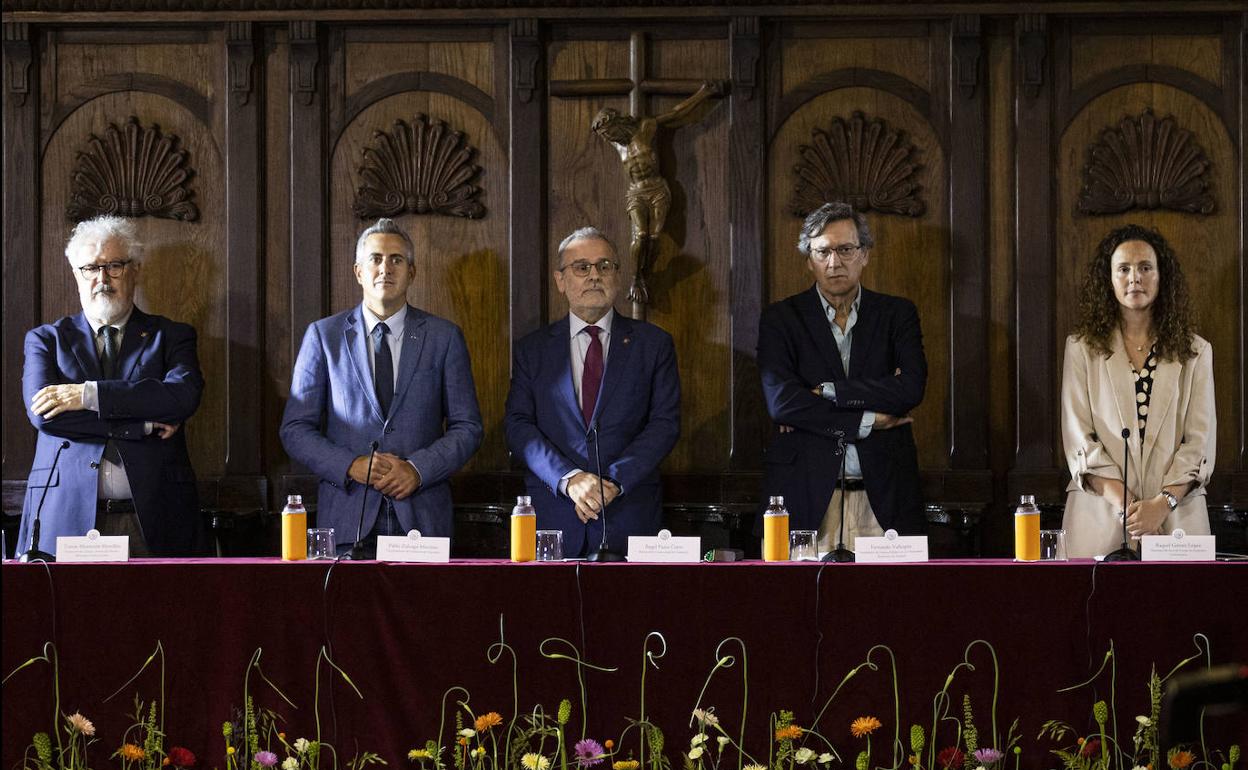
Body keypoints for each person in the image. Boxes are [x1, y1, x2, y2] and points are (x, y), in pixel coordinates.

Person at [280, 218, 482, 557]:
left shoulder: (444, 337)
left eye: (396, 260)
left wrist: (418, 470)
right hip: (347, 519)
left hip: (422, 517)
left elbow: (469, 427)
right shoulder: (323, 336)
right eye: (376, 259)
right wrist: (352, 465)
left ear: (412, 272)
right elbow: (295, 429)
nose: (385, 268)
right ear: (359, 272)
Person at [18, 215, 205, 558]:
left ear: (135, 270)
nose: (101, 279)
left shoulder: (171, 336)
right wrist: (143, 423)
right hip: (64, 516)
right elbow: (45, 416)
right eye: (90, 268)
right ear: (77, 275)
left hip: (155, 517)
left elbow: (182, 397)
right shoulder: (45, 340)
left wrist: (87, 395)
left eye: (114, 266)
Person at [757, 202, 927, 551]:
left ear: (864, 254)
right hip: (806, 496)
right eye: (822, 252)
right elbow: (783, 402)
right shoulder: (781, 319)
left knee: (889, 603)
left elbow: (910, 388)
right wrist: (866, 420)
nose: (834, 263)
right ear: (809, 260)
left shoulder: (897, 314)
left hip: (884, 498)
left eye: (845, 249)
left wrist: (830, 392)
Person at [504, 227, 681, 557]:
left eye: (605, 266)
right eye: (581, 267)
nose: (594, 276)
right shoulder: (533, 350)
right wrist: (569, 480)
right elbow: (518, 425)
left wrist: (612, 482)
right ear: (560, 280)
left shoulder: (653, 345)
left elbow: (664, 424)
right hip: (554, 517)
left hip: (628, 514)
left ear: (617, 276)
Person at [1060, 224, 1214, 558]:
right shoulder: (1081, 349)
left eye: (1145, 267)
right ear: (1109, 279)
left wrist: (1161, 506)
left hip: (1176, 518)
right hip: (1099, 516)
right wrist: (1133, 510)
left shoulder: (1196, 352)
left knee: (1180, 611)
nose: (1135, 278)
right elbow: (1079, 440)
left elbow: (1199, 442)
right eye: (1124, 269)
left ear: (1162, 277)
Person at [591, 80, 721, 306]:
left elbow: (676, 113)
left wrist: (704, 93)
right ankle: (636, 277)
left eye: (609, 133)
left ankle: (646, 273)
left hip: (658, 190)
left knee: (655, 237)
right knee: (640, 236)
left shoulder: (646, 128)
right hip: (636, 193)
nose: (608, 139)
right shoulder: (616, 144)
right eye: (605, 137)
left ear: (616, 123)